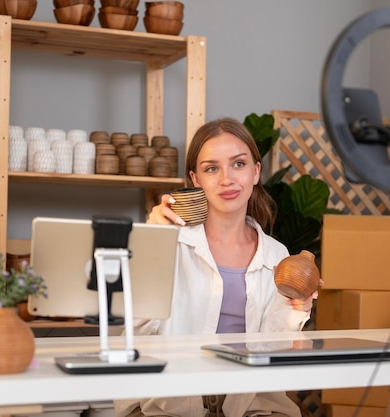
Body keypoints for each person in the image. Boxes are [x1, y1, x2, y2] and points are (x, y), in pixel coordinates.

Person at [115, 117, 321, 417]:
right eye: (212, 168)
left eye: (238, 164)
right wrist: (151, 245)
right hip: (168, 404)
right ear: (195, 179)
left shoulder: (277, 255)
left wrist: (297, 309)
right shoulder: (168, 241)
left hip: (251, 404)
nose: (226, 179)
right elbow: (136, 332)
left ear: (256, 172)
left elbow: (274, 349)